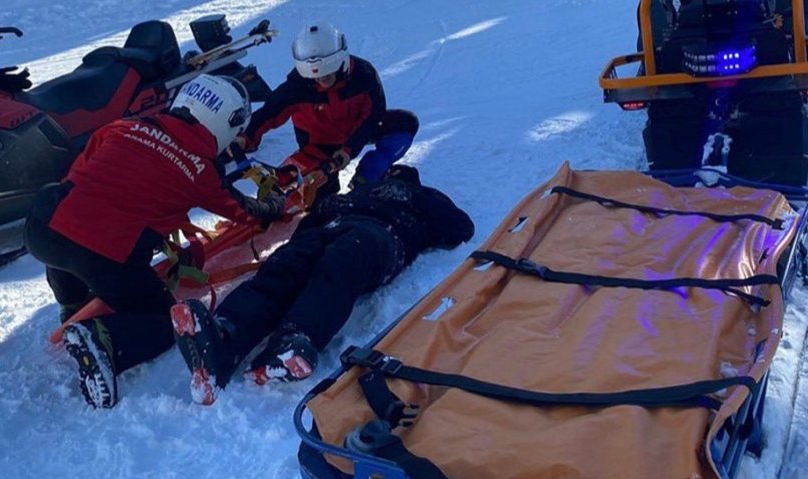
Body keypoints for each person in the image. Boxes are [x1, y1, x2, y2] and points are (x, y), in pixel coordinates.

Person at [24, 75, 286, 409]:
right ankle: (104, 339)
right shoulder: (199, 169)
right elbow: (241, 211)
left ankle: (72, 305)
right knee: (163, 322)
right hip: (101, 253)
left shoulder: (123, 126)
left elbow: (80, 174)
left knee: (70, 220)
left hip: (42, 229)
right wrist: (273, 206)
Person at [171, 164, 474, 405]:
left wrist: (421, 217)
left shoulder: (419, 196)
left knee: (339, 267)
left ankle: (295, 339)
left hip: (381, 234)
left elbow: (460, 227)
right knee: (283, 268)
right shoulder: (360, 193)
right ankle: (224, 338)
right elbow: (316, 215)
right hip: (332, 228)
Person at [236, 21, 419, 203]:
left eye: (328, 75)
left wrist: (349, 150)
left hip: (355, 134)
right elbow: (268, 113)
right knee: (313, 198)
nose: (322, 81)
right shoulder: (298, 86)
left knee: (405, 124)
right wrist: (245, 138)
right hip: (318, 147)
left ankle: (366, 179)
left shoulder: (364, 76)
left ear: (342, 63)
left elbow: (372, 118)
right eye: (316, 78)